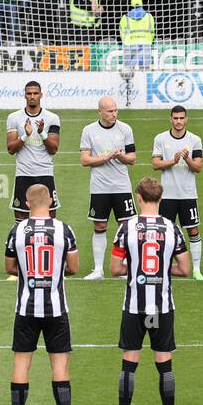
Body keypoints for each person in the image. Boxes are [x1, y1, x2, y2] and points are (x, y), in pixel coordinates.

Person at [109, 177, 192, 405]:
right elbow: (185, 269)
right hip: (161, 306)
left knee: (129, 362)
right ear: (161, 198)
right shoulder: (172, 228)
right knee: (164, 363)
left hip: (134, 306)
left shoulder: (126, 227)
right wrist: (164, 270)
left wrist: (136, 271)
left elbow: (114, 269)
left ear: (139, 197)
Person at [4, 183, 83, 405]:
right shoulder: (64, 230)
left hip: (25, 308)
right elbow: (73, 267)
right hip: (56, 308)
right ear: (50, 201)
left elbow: (9, 266)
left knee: (21, 364)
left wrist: (30, 273)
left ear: (27, 204)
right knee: (60, 364)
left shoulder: (16, 231)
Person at [78, 96, 137, 281]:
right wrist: (105, 158)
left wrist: (120, 156)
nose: (114, 114)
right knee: (100, 225)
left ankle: (125, 268)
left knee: (126, 227)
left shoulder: (125, 129)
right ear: (100, 112)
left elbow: (132, 158)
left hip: (121, 186)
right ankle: (98, 270)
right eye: (110, 111)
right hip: (100, 187)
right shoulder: (89, 130)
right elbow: (85, 160)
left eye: (115, 110)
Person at [151, 106, 203, 280]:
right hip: (167, 195)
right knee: (164, 231)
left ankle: (196, 270)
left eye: (182, 118)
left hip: (188, 195)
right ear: (171, 119)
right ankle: (163, 266)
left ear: (186, 119)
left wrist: (187, 158)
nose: (179, 121)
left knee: (193, 231)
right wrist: (173, 161)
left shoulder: (195, 140)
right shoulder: (160, 138)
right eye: (175, 118)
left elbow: (198, 167)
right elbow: (156, 164)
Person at [7, 80, 62, 222]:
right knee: (21, 220)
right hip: (23, 173)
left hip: (45, 173)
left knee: (50, 219)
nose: (32, 96)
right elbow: (11, 149)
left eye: (35, 93)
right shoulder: (14, 118)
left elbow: (53, 149)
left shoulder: (52, 118)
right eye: (29, 93)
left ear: (41, 95)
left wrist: (42, 133)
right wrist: (25, 136)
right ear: (24, 95)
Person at [118, 0, 155, 70]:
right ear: (141, 3)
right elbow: (152, 32)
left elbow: (121, 32)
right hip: (145, 44)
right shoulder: (149, 16)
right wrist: (149, 41)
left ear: (131, 4)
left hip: (129, 44)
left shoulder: (125, 17)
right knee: (145, 69)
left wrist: (125, 41)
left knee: (129, 69)